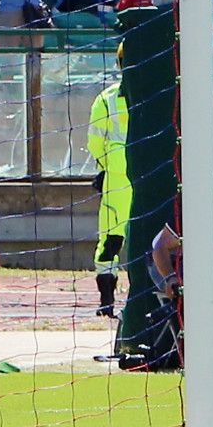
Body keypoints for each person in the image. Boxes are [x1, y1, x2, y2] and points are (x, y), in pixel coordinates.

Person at [87, 49, 131, 317]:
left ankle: (107, 300)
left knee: (111, 239)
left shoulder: (106, 99)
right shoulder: (162, 94)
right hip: (147, 177)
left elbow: (95, 142)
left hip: (116, 180)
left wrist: (106, 167)